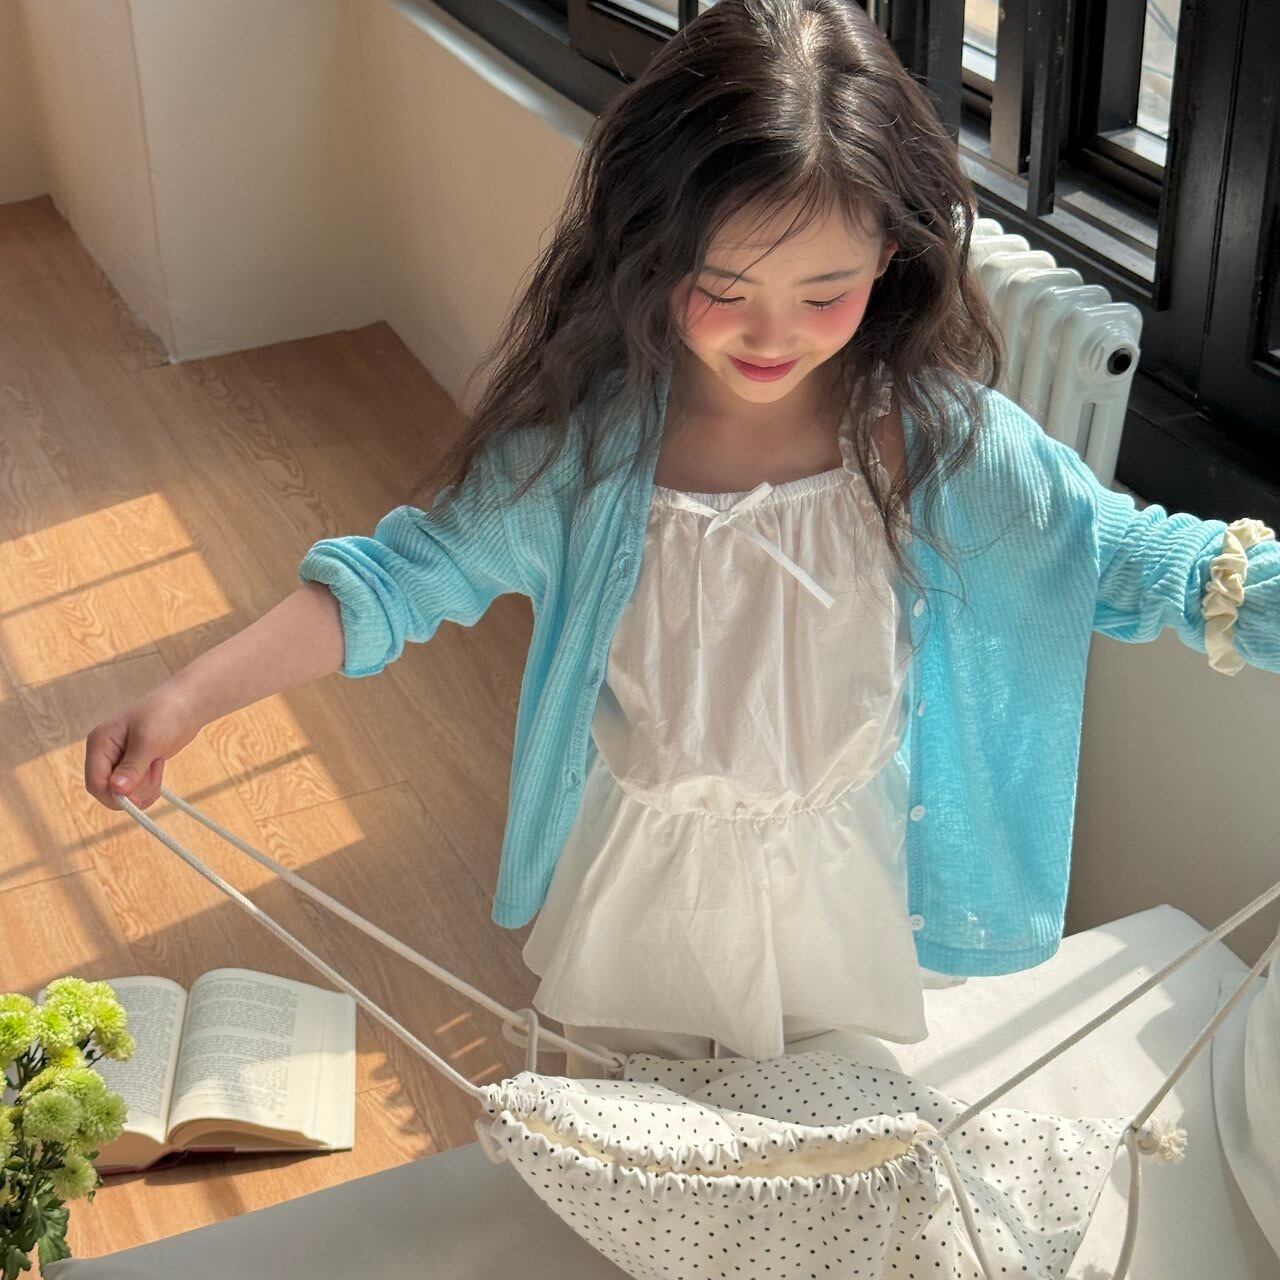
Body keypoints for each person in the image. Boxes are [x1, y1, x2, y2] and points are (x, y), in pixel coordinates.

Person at [84, 0, 1279, 1080]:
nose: (771, 334)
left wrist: (1254, 595)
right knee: (640, 1142)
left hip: (842, 882)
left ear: (891, 254)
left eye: (823, 293)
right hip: (645, 886)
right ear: (651, 253)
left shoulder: (938, 443)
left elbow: (1127, 558)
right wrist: (191, 697)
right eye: (724, 287)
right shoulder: (587, 458)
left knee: (823, 1146)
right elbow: (396, 579)